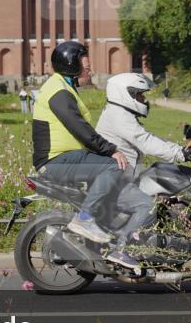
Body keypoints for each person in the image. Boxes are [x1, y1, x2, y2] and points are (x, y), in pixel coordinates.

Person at [95, 72, 191, 269]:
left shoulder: (120, 114)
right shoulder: (119, 116)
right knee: (148, 205)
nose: (144, 99)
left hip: (121, 177)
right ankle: (121, 250)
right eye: (140, 95)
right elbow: (145, 141)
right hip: (115, 182)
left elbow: (145, 137)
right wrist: (181, 154)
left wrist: (179, 149)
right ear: (127, 95)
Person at [32, 41, 128, 244]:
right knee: (114, 166)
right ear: (72, 67)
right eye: (87, 68)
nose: (90, 72)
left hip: (64, 158)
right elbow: (80, 129)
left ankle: (107, 227)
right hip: (56, 162)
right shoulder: (59, 92)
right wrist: (111, 151)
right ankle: (85, 220)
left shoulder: (62, 86)